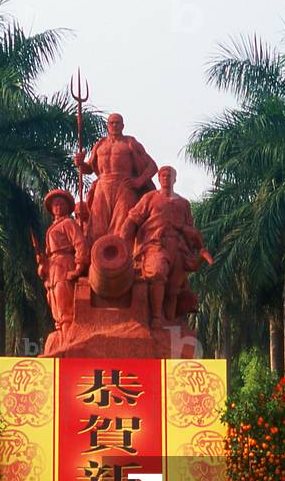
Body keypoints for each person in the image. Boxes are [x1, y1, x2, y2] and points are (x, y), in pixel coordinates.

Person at [120, 166, 212, 327]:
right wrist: (123, 238)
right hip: (155, 244)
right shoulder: (150, 198)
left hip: (178, 247)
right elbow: (133, 218)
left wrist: (185, 231)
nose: (165, 178)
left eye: (169, 175)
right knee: (157, 272)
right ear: (158, 178)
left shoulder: (183, 203)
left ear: (175, 179)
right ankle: (156, 317)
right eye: (162, 175)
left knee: (173, 288)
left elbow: (190, 228)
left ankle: (170, 323)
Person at [74, 113, 158, 242]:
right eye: (112, 123)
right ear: (107, 126)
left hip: (124, 186)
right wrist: (80, 163)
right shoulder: (100, 145)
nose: (114, 125)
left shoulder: (130, 143)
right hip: (102, 187)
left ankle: (123, 253)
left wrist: (138, 182)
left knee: (123, 226)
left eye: (117, 122)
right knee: (97, 226)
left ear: (122, 126)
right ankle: (96, 253)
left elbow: (152, 166)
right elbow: (88, 169)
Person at [38, 189, 87, 332]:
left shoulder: (68, 223)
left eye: (61, 204)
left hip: (65, 264)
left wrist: (79, 267)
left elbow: (80, 243)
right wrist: (43, 263)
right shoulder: (52, 227)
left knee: (64, 302)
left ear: (67, 207)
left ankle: (69, 336)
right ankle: (62, 336)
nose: (58, 207)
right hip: (53, 268)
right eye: (55, 205)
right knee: (55, 302)